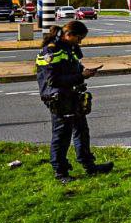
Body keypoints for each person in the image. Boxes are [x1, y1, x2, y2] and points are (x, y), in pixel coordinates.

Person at [36, 20, 113, 184]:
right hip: (58, 98)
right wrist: (81, 76)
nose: (80, 42)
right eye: (79, 38)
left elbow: (73, 67)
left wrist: (84, 71)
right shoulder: (51, 50)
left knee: (82, 131)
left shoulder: (68, 48)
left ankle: (89, 165)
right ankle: (60, 172)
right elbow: (53, 80)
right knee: (62, 136)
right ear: (68, 34)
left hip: (71, 95)